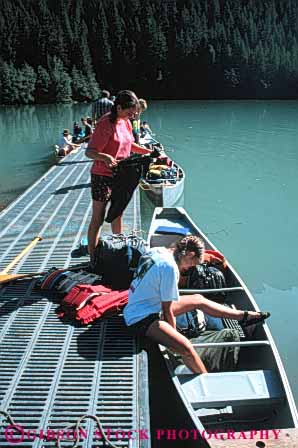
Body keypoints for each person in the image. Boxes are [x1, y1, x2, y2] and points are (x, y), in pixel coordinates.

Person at [123, 235, 270, 374]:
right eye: (194, 263)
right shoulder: (170, 268)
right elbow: (168, 311)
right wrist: (174, 339)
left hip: (144, 304)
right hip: (141, 318)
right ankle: (207, 383)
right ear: (190, 255)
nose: (192, 268)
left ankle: (243, 316)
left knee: (198, 299)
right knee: (186, 348)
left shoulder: (158, 250)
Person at [85, 90, 152, 262]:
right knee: (98, 218)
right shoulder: (105, 123)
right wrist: (105, 157)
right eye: (130, 111)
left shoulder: (127, 122)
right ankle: (93, 256)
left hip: (121, 173)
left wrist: (149, 152)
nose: (133, 114)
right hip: (102, 175)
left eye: (135, 111)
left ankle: (119, 247)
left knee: (117, 212)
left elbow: (131, 145)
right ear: (119, 107)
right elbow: (90, 152)